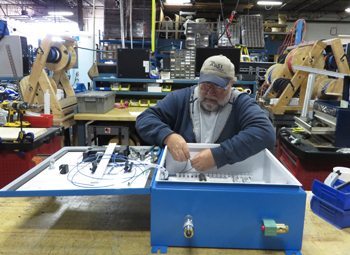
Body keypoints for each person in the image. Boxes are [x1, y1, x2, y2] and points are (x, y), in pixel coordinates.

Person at [136, 55, 275, 171]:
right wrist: (167, 136)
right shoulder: (181, 98)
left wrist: (219, 155)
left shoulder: (241, 103)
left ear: (231, 84)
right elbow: (145, 118)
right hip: (183, 174)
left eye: (217, 86)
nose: (209, 92)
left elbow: (265, 132)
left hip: (227, 174)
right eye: (205, 85)